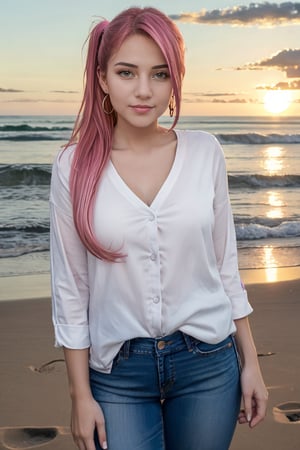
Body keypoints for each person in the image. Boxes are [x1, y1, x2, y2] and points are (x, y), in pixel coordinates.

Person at [50, 7, 268, 450]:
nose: (144, 91)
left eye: (161, 74)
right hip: (118, 376)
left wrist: (252, 364)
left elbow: (226, 269)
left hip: (208, 363)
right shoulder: (72, 166)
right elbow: (71, 291)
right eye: (127, 72)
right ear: (103, 78)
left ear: (175, 81)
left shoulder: (206, 152)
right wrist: (80, 395)